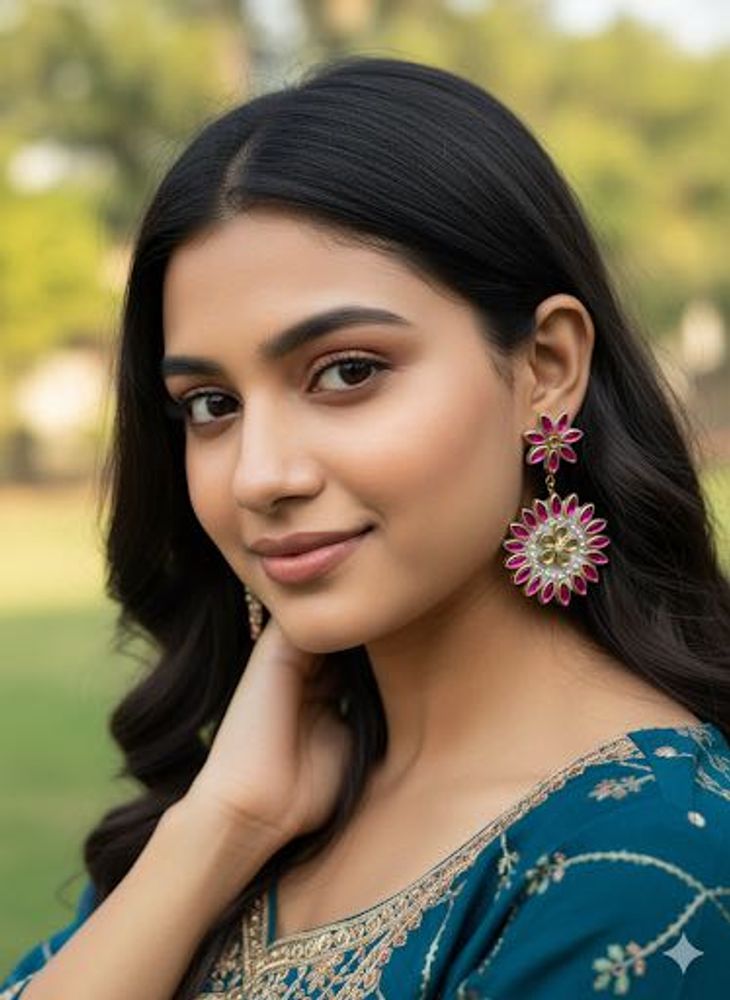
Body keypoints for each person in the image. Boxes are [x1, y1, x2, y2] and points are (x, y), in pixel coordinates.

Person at [2, 54, 730, 1000]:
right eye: (211, 402)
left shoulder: (651, 860)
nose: (262, 476)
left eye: (346, 372)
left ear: (546, 366)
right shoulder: (256, 804)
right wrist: (222, 826)